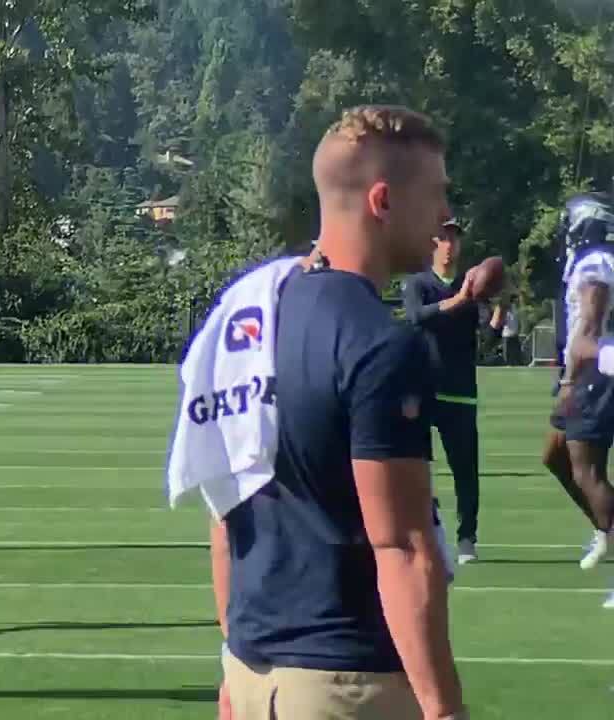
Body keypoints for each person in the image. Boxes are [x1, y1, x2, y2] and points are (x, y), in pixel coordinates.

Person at [215, 105, 465, 720]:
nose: (442, 219)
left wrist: (236, 657)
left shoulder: (246, 318)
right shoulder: (379, 342)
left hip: (253, 673)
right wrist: (444, 709)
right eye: (434, 195)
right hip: (344, 681)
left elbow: (223, 508)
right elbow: (403, 548)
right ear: (382, 200)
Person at [402, 218, 506, 564]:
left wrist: (501, 308)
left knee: (466, 471)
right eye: (443, 238)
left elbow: (486, 342)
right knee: (415, 469)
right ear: (433, 243)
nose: (450, 245)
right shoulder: (418, 283)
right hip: (423, 390)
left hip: (460, 392)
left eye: (455, 239)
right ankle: (423, 530)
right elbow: (418, 317)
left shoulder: (471, 287)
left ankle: (467, 538)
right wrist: (460, 299)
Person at [539, 192, 614, 605]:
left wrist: (571, 379)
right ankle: (605, 527)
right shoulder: (589, 263)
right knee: (555, 457)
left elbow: (589, 331)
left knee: (587, 471)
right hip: (584, 373)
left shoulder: (595, 265)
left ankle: (608, 528)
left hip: (595, 376)